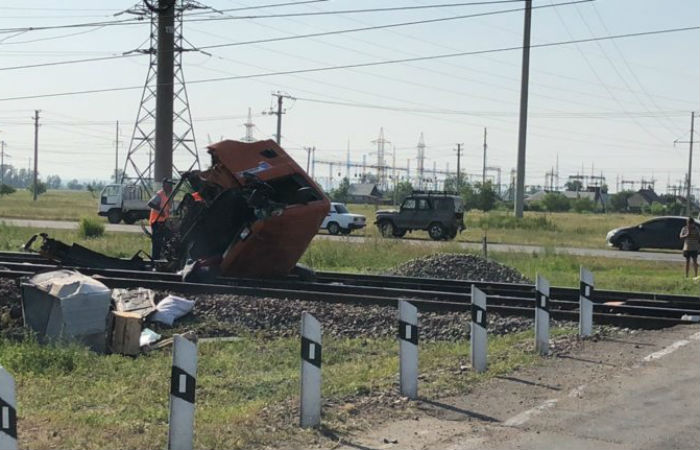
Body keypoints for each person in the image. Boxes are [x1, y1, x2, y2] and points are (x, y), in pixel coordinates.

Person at [148, 178, 174, 259]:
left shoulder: (167, 195)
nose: (171, 187)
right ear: (164, 185)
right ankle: (155, 261)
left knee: (168, 240)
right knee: (157, 244)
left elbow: (167, 208)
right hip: (156, 223)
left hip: (163, 223)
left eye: (171, 186)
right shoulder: (160, 194)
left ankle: (163, 258)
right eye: (169, 185)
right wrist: (160, 211)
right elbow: (150, 203)